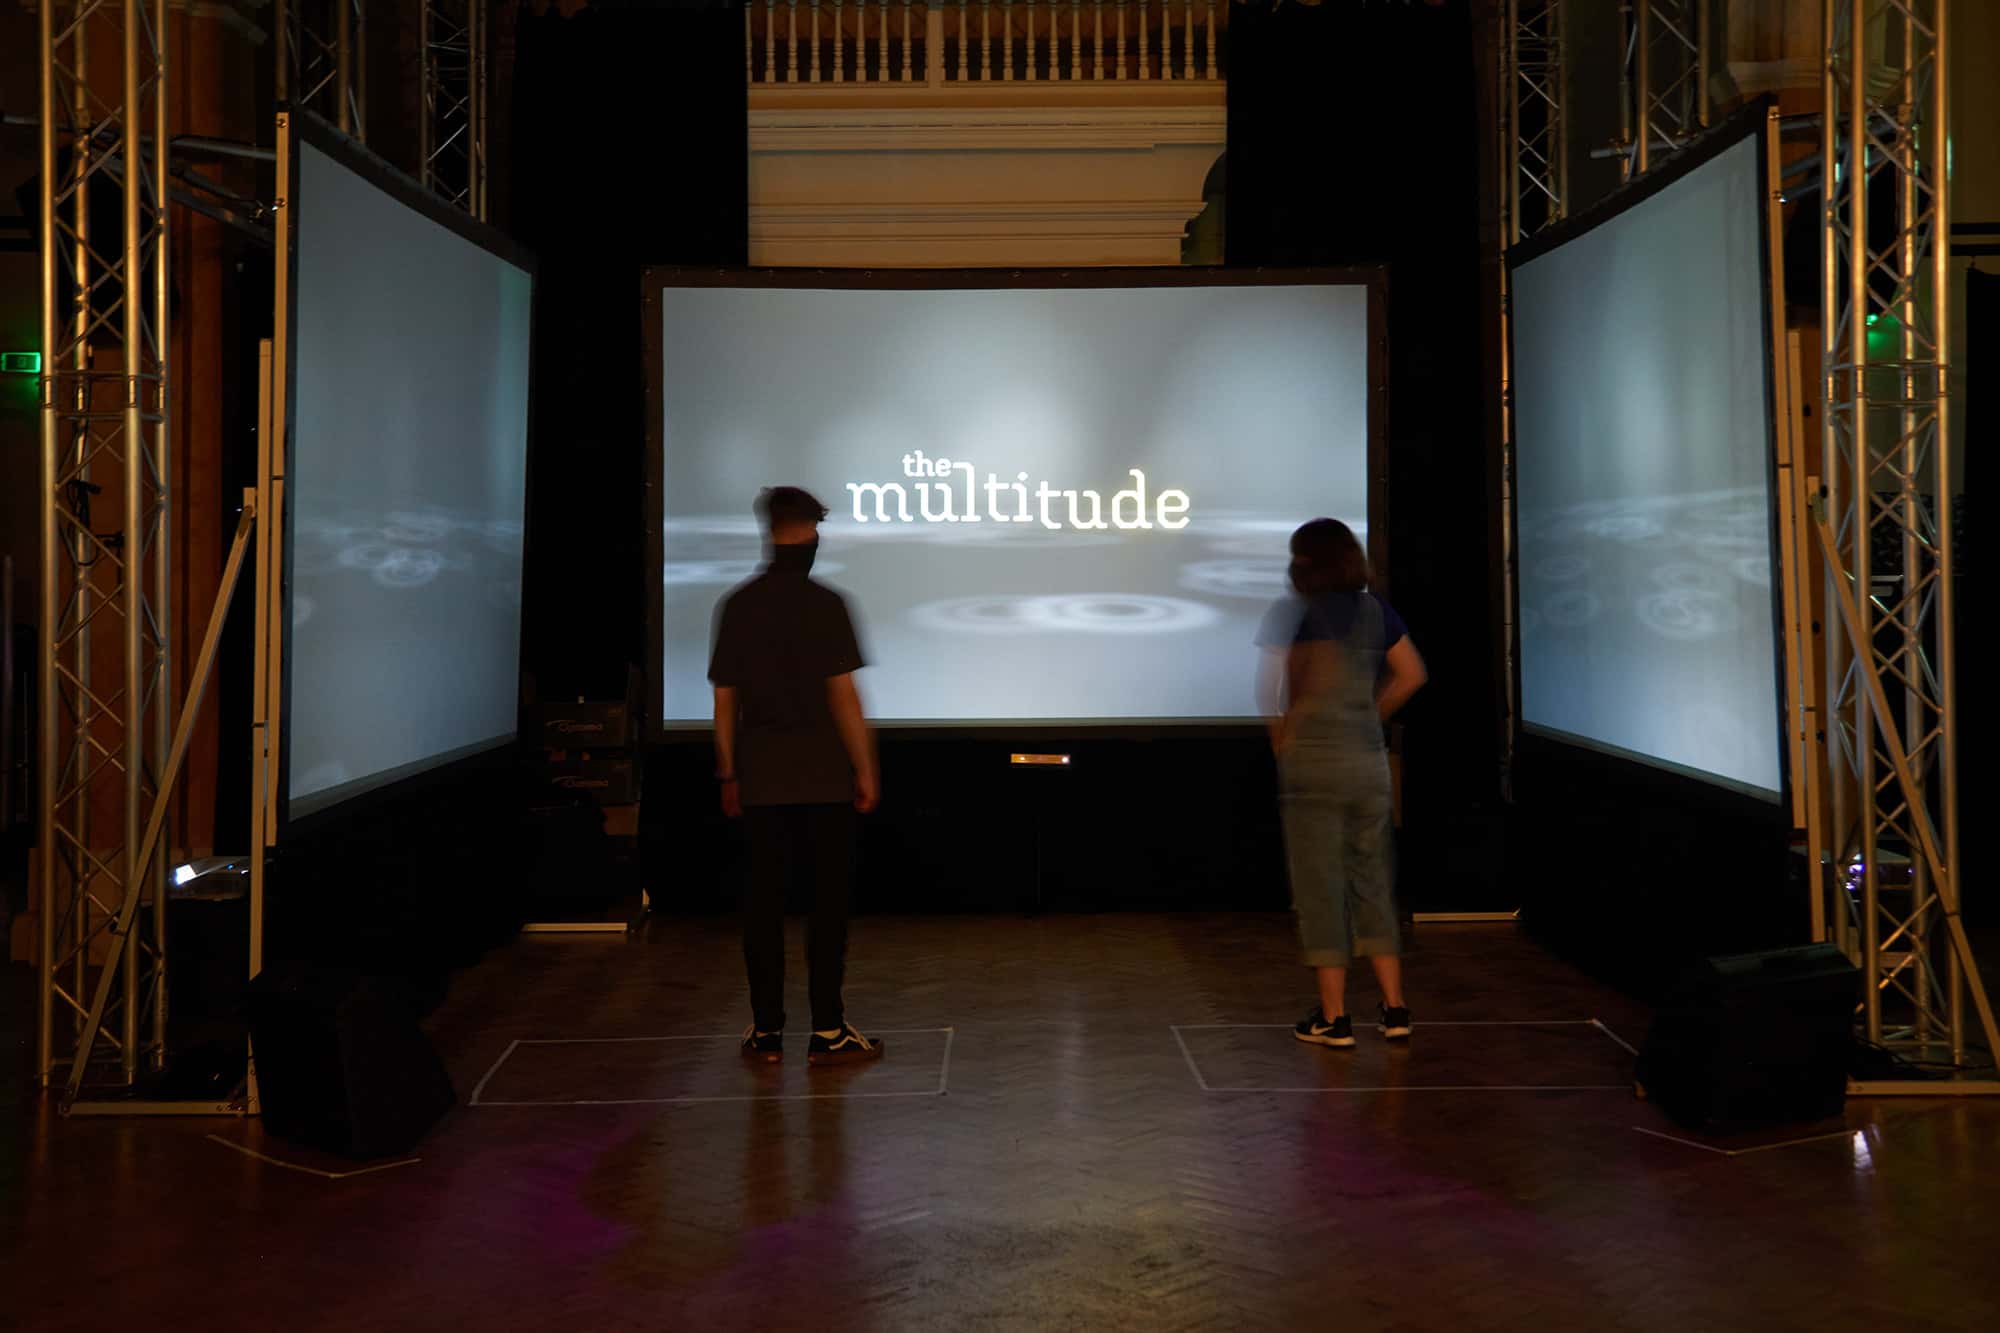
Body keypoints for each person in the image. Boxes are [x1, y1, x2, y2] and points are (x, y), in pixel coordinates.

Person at [710, 486, 883, 1065]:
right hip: (825, 779)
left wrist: (728, 773)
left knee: (762, 910)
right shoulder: (827, 604)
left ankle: (766, 1031)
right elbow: (843, 698)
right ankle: (828, 1030)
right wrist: (866, 769)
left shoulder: (738, 605)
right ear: (809, 532)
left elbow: (725, 701)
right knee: (826, 911)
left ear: (769, 530)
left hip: (761, 780)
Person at [1255, 518, 1427, 1049]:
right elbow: (1413, 674)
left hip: (1313, 766)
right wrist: (1371, 716)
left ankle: (1334, 1018)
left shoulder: (1293, 612)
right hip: (1367, 764)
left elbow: (1270, 689)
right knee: (1373, 883)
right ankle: (1395, 1008)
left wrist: (1284, 740)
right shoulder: (1376, 610)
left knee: (1320, 888)